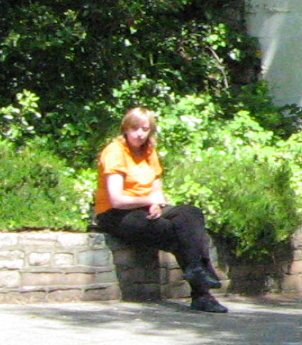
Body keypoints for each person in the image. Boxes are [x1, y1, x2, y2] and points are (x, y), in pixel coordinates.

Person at [92, 107, 228, 312]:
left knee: (190, 214)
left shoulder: (149, 151)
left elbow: (157, 190)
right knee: (177, 232)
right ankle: (201, 291)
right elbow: (117, 200)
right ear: (125, 129)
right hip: (115, 214)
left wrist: (155, 203)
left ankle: (196, 271)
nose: (140, 134)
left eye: (145, 129)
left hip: (145, 207)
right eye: (135, 129)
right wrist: (150, 200)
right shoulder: (115, 151)